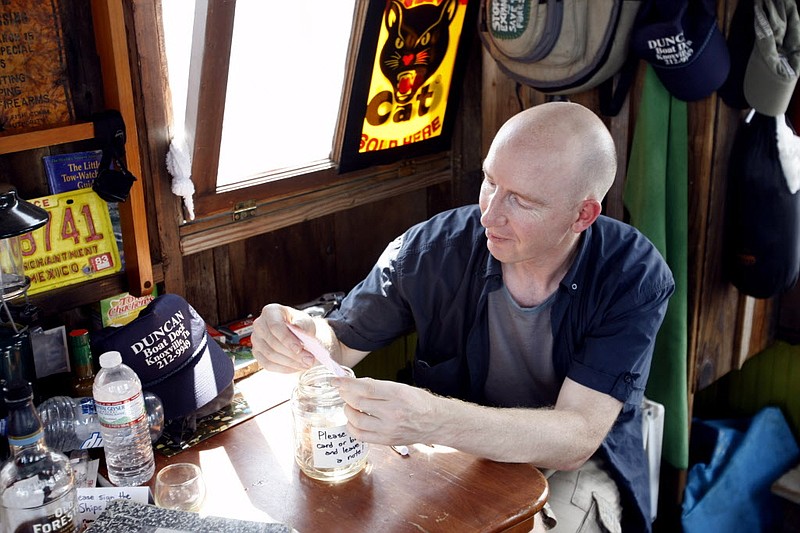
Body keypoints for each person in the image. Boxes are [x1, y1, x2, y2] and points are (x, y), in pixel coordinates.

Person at [251, 101, 674, 532]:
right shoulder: (433, 248)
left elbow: (575, 437)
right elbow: (339, 342)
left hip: (574, 466)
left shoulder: (632, 275)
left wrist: (431, 418)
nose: (489, 215)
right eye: (490, 181)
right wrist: (301, 336)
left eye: (522, 201)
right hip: (454, 450)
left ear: (582, 215)